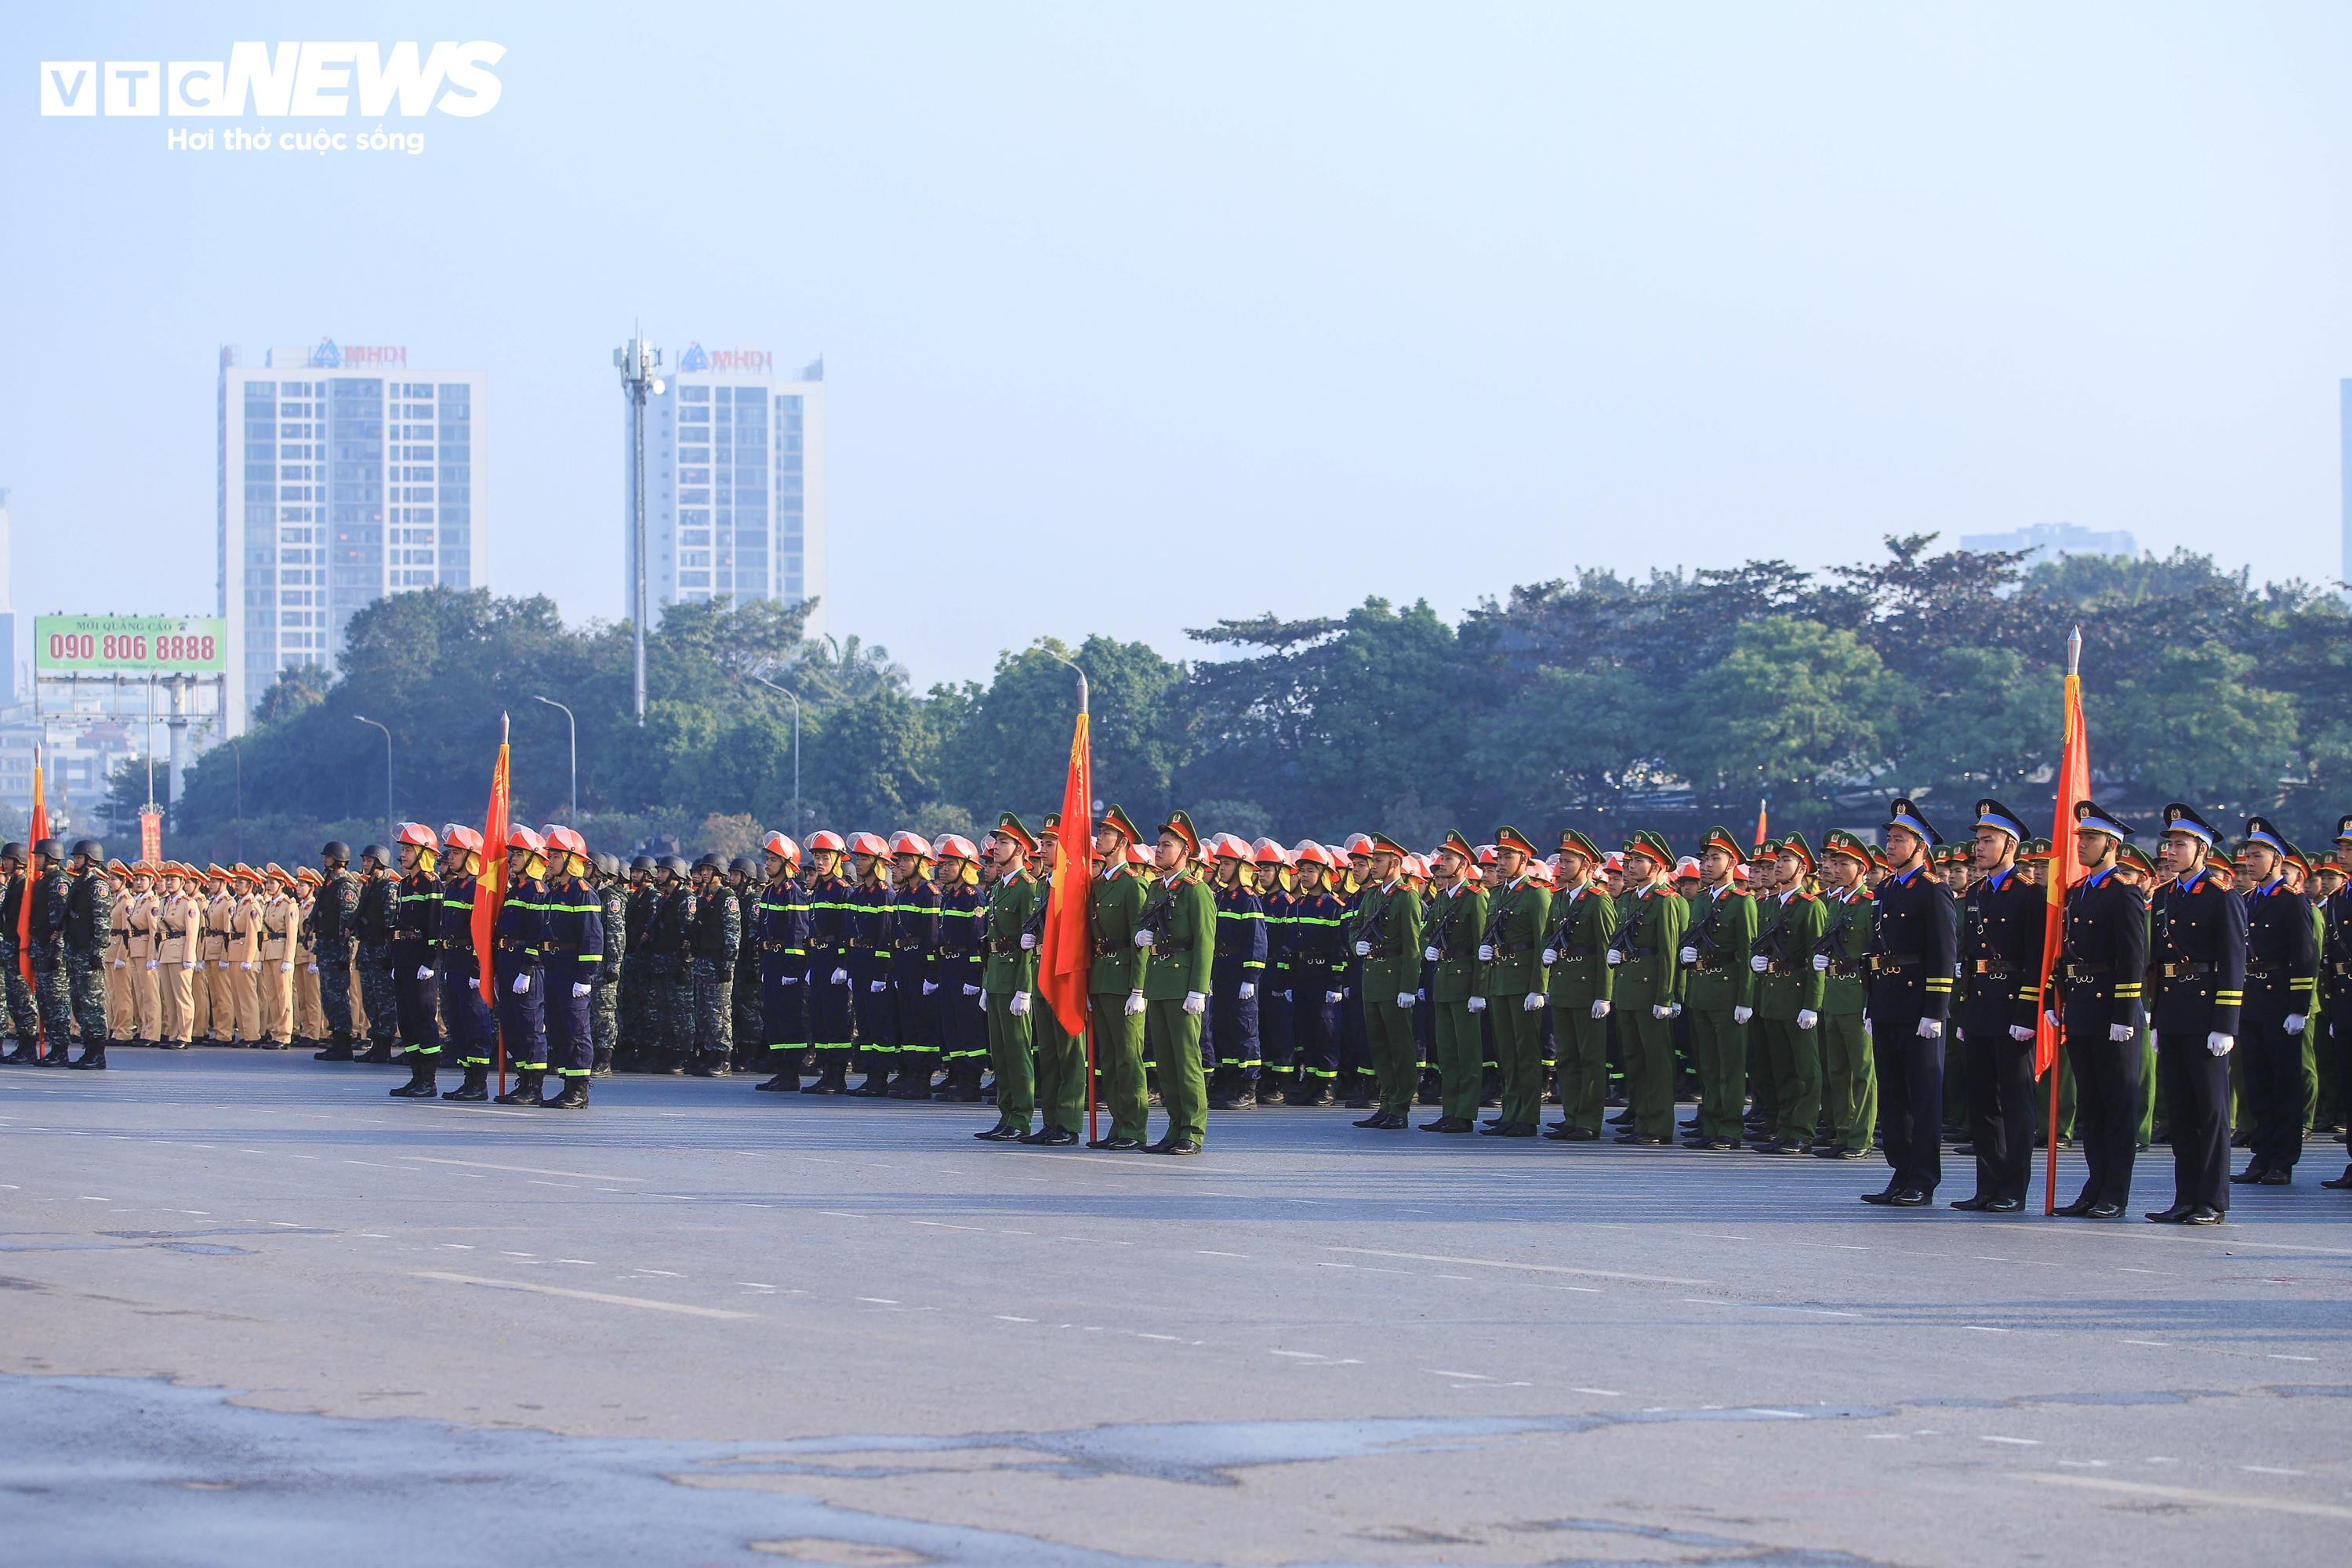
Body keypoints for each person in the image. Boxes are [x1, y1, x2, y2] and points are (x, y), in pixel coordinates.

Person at [2144, 804, 2245, 1224]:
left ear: (2202, 850)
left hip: (2206, 1016)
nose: (2170, 851)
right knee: (2182, 1113)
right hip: (2173, 1014)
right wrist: (2156, 1017)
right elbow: (2158, 961)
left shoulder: (2222, 895)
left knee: (2211, 1112)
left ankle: (2212, 1201)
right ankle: (2185, 1197)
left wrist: (2225, 1024)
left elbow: (2234, 961)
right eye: (2169, 844)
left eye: (2180, 845)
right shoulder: (2165, 895)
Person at [2049, 800, 2149, 1218]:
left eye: (2090, 838)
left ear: (2112, 845)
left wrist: (2124, 1014)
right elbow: (2065, 951)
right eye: (2081, 838)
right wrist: (2056, 997)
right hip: (2082, 1008)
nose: (2081, 845)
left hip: (2112, 1011)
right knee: (2091, 1105)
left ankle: (2114, 1192)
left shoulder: (2123, 892)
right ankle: (2094, 1185)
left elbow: (2133, 957)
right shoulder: (2078, 892)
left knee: (2117, 1105)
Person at [1860, 800, 1959, 1207]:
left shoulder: (1933, 890)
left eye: (1900, 839)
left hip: (1919, 1007)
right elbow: (1875, 947)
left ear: (1920, 846)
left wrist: (1935, 1010)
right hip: (1887, 1003)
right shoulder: (1885, 889)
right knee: (1893, 1096)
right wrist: (1870, 1003)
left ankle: (1923, 1178)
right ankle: (1900, 1173)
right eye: (1890, 838)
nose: (1891, 845)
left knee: (1922, 1097)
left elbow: (1944, 953)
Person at [1949, 800, 2041, 1211]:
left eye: (1988, 841)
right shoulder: (1977, 892)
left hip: (2012, 1007)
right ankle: (1987, 1186)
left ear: (2010, 846)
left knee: (2015, 1103)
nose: (1979, 848)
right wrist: (1965, 1010)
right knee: (1983, 1101)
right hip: (1981, 1006)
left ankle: (2013, 1189)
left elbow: (2036, 958)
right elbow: (1971, 957)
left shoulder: (2029, 893)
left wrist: (2027, 1012)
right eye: (1979, 840)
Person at [2231, 815, 2319, 1186]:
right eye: (2248, 856)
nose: (2250, 863)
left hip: (2280, 1000)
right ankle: (2262, 1153)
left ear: (2277, 861)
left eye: (2257, 856)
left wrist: (2298, 1008)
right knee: (2257, 1082)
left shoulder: (2292, 901)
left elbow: (2305, 957)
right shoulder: (2247, 900)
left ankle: (2282, 1158)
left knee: (2284, 1083)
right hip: (2252, 999)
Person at [1135, 811, 1214, 1154]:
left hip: (1183, 984)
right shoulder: (1156, 888)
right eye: (1159, 844)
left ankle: (1192, 1131)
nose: (1159, 849)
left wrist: (1198, 989)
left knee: (1186, 1061)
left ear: (1184, 852)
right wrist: (1141, 936)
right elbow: (1147, 926)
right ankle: (1174, 1127)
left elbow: (1205, 941)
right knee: (1166, 1063)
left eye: (1167, 845)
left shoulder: (1197, 891)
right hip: (1159, 982)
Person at [1749, 833, 1828, 1156]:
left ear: (1802, 868)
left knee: (1805, 1071)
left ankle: (1802, 1131)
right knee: (1780, 1068)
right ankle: (1783, 1128)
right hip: (1773, 995)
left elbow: (1816, 958)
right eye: (1777, 861)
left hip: (1797, 997)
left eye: (1786, 861)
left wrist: (1812, 1004)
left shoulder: (1810, 907)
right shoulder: (1770, 905)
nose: (1778, 866)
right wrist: (1756, 963)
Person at [1678, 826, 1755, 1149]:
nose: (1707, 865)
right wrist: (1684, 956)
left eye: (1715, 858)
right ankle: (1709, 1123)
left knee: (1729, 1066)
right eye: (1705, 859)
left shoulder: (1741, 902)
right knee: (1707, 1065)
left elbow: (1748, 953)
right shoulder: (1700, 900)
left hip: (1727, 992)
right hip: (1701, 990)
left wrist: (1745, 999)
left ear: (1732, 863)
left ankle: (1729, 1128)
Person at [1608, 832, 1686, 1145]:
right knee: (1635, 1059)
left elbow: (1669, 951)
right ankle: (1641, 1118)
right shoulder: (1629, 900)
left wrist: (1666, 996)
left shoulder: (1665, 901)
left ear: (1657, 866)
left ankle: (1659, 1125)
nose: (1630, 865)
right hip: (1628, 988)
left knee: (1657, 1061)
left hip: (1650, 990)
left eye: (1639, 860)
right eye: (1630, 860)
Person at [1472, 826, 1549, 1138]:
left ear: (1524, 860)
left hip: (1522, 982)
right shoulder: (1498, 894)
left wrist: (1538, 987)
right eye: (1499, 857)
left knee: (1525, 1051)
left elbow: (1542, 943)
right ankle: (1510, 1110)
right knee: (1506, 1052)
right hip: (1500, 980)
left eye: (1507, 857)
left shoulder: (1536, 894)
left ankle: (1527, 1116)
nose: (1500, 863)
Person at [1085, 806, 1153, 1149]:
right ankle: (1117, 1125)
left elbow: (1139, 941)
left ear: (1122, 842)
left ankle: (1133, 1128)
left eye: (1106, 834)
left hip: (1124, 980)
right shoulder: (1098, 884)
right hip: (1101, 979)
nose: (1099, 838)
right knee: (1109, 1060)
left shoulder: (1133, 885)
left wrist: (1138, 988)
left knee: (1128, 1059)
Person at [1349, 832, 1425, 1131]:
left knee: (1400, 1047)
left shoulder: (1407, 896)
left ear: (1394, 863)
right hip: (1373, 978)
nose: (1373, 866)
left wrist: (1408, 988)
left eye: (1378, 861)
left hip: (1395, 981)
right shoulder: (1372, 895)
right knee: (1379, 1047)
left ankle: (1400, 1108)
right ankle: (1385, 1103)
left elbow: (1413, 946)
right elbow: (1355, 926)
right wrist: (1356, 944)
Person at [1415, 829, 1490, 1134]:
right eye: (1442, 857)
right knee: (1447, 1052)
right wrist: (1427, 949)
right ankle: (1449, 1110)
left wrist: (1479, 990)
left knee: (1467, 1053)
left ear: (1464, 864)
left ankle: (1465, 1113)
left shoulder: (1475, 898)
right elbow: (1425, 934)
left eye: (1448, 858)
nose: (1442, 863)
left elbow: (1482, 946)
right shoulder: (1443, 898)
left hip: (1464, 982)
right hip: (1443, 981)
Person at [1811, 830, 1878, 1160]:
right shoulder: (1834, 903)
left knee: (1862, 1070)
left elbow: (1876, 954)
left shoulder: (1869, 905)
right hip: (1835, 991)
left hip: (1857, 992)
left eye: (1844, 864)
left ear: (1861, 869)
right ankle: (1842, 1130)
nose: (1835, 869)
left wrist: (1872, 1001)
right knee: (1837, 1069)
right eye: (1834, 863)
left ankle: (1861, 1136)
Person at [975, 815, 1043, 1140]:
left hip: (1016, 977)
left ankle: (1021, 1118)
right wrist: (986, 984)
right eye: (996, 841)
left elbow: (1029, 941)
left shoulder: (1027, 888)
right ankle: (1006, 1115)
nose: (995, 847)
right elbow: (991, 940)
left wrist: (1024, 989)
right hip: (997, 977)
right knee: (1000, 1054)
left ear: (1020, 849)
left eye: (1003, 842)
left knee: (1018, 1052)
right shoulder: (1000, 887)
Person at [537, 826, 604, 1107]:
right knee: (558, 1027)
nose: (550, 861)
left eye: (555, 856)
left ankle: (579, 1089)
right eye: (550, 855)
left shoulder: (582, 892)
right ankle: (568, 1084)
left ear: (571, 859)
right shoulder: (555, 892)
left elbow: (592, 937)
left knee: (576, 1029)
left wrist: (585, 976)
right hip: (553, 968)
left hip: (572, 970)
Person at [434, 827, 499, 1102]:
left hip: (469, 962)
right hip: (452, 962)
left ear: (471, 856)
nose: (450, 857)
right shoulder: (453, 887)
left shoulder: (478, 889)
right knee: (458, 1022)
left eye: (456, 852)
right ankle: (467, 1078)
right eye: (450, 852)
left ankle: (478, 1083)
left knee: (475, 1022)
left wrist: (477, 966)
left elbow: (484, 931)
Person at [1204, 836, 1269, 1110]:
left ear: (1241, 867)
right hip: (1221, 970)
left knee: (1245, 1030)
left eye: (1227, 863)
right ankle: (1230, 1081)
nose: (1221, 868)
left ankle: (1248, 1087)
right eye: (1220, 863)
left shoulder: (1248, 900)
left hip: (1239, 972)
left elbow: (1257, 940)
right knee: (1223, 1028)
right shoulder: (1219, 897)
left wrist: (1250, 978)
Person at [492, 828, 554, 1105]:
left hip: (526, 966)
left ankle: (534, 1086)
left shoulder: (537, 891)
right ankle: (523, 1079)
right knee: (512, 1026)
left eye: (519, 854)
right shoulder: (515, 889)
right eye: (513, 854)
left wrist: (527, 970)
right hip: (508, 963)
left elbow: (537, 935)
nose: (513, 859)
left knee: (530, 1027)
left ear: (533, 859)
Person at [1284, 843, 1349, 1105]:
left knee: (1326, 1031)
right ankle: (1311, 1079)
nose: (1304, 876)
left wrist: (1336, 983)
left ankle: (1327, 1084)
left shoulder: (1334, 906)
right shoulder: (1296, 906)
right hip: (1301, 976)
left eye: (1310, 871)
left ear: (1323, 874)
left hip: (1323, 977)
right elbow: (1290, 946)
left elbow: (1339, 947)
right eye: (1302, 871)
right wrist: (1289, 981)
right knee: (1305, 1030)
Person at [878, 833, 942, 1098]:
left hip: (920, 966)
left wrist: (931, 974)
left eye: (906, 859)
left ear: (921, 862)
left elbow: (932, 937)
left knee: (923, 1022)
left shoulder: (930, 894)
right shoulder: (903, 893)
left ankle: (923, 1078)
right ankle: (911, 1073)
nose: (900, 864)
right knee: (908, 1022)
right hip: (904, 964)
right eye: (899, 860)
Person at [387, 826, 445, 1097]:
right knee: (407, 1019)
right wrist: (395, 961)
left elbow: (435, 924)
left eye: (409, 850)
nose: (403, 854)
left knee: (423, 1019)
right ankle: (416, 1075)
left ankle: (428, 1080)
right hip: (404, 958)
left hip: (422, 961)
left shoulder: (431, 883)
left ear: (423, 853)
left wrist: (430, 961)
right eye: (403, 849)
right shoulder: (403, 885)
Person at [752, 833, 810, 1093]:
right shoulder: (769, 892)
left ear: (787, 864)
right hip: (772, 961)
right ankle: (781, 1070)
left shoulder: (792, 893)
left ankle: (792, 1073)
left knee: (789, 1018)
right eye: (767, 859)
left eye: (773, 860)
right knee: (774, 1018)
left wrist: (792, 969)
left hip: (787, 964)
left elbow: (797, 932)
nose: (768, 864)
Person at [800, 831, 858, 1094]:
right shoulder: (818, 890)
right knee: (820, 1018)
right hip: (819, 960)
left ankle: (837, 1075)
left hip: (835, 960)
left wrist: (843, 964)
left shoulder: (842, 891)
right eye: (817, 857)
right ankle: (826, 1072)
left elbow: (848, 930)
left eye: (825, 857)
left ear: (837, 860)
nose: (819, 862)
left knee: (836, 1020)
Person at [684, 853, 741, 1078]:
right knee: (703, 1012)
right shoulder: (703, 897)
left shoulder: (727, 898)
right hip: (702, 961)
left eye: (709, 870)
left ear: (719, 872)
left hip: (718, 964)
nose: (704, 873)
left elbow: (732, 934)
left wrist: (728, 965)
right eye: (703, 870)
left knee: (719, 1011)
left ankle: (723, 1057)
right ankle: (709, 1053)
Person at [308, 843, 362, 1059]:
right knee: (329, 996)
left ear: (339, 859)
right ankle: (336, 1039)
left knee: (338, 996)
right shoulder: (329, 883)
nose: (325, 860)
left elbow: (347, 922)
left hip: (336, 949)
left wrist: (344, 954)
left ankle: (343, 1042)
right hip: (326, 947)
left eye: (329, 857)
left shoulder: (345, 886)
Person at [591, 852, 629, 1077]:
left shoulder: (609, 898)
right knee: (591, 1012)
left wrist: (614, 966)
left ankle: (605, 1058)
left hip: (605, 966)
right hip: (591, 965)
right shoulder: (591, 894)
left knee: (604, 1011)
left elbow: (616, 934)